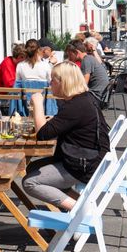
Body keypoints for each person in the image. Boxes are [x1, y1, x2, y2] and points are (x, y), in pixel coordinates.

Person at [22, 62, 110, 210]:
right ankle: (83, 204)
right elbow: (61, 126)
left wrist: (37, 104)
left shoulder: (76, 106)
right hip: (90, 159)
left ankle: (80, 210)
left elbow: (43, 134)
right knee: (33, 167)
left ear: (63, 82)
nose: (50, 84)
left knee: (30, 182)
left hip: (85, 165)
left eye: (52, 80)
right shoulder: (82, 99)